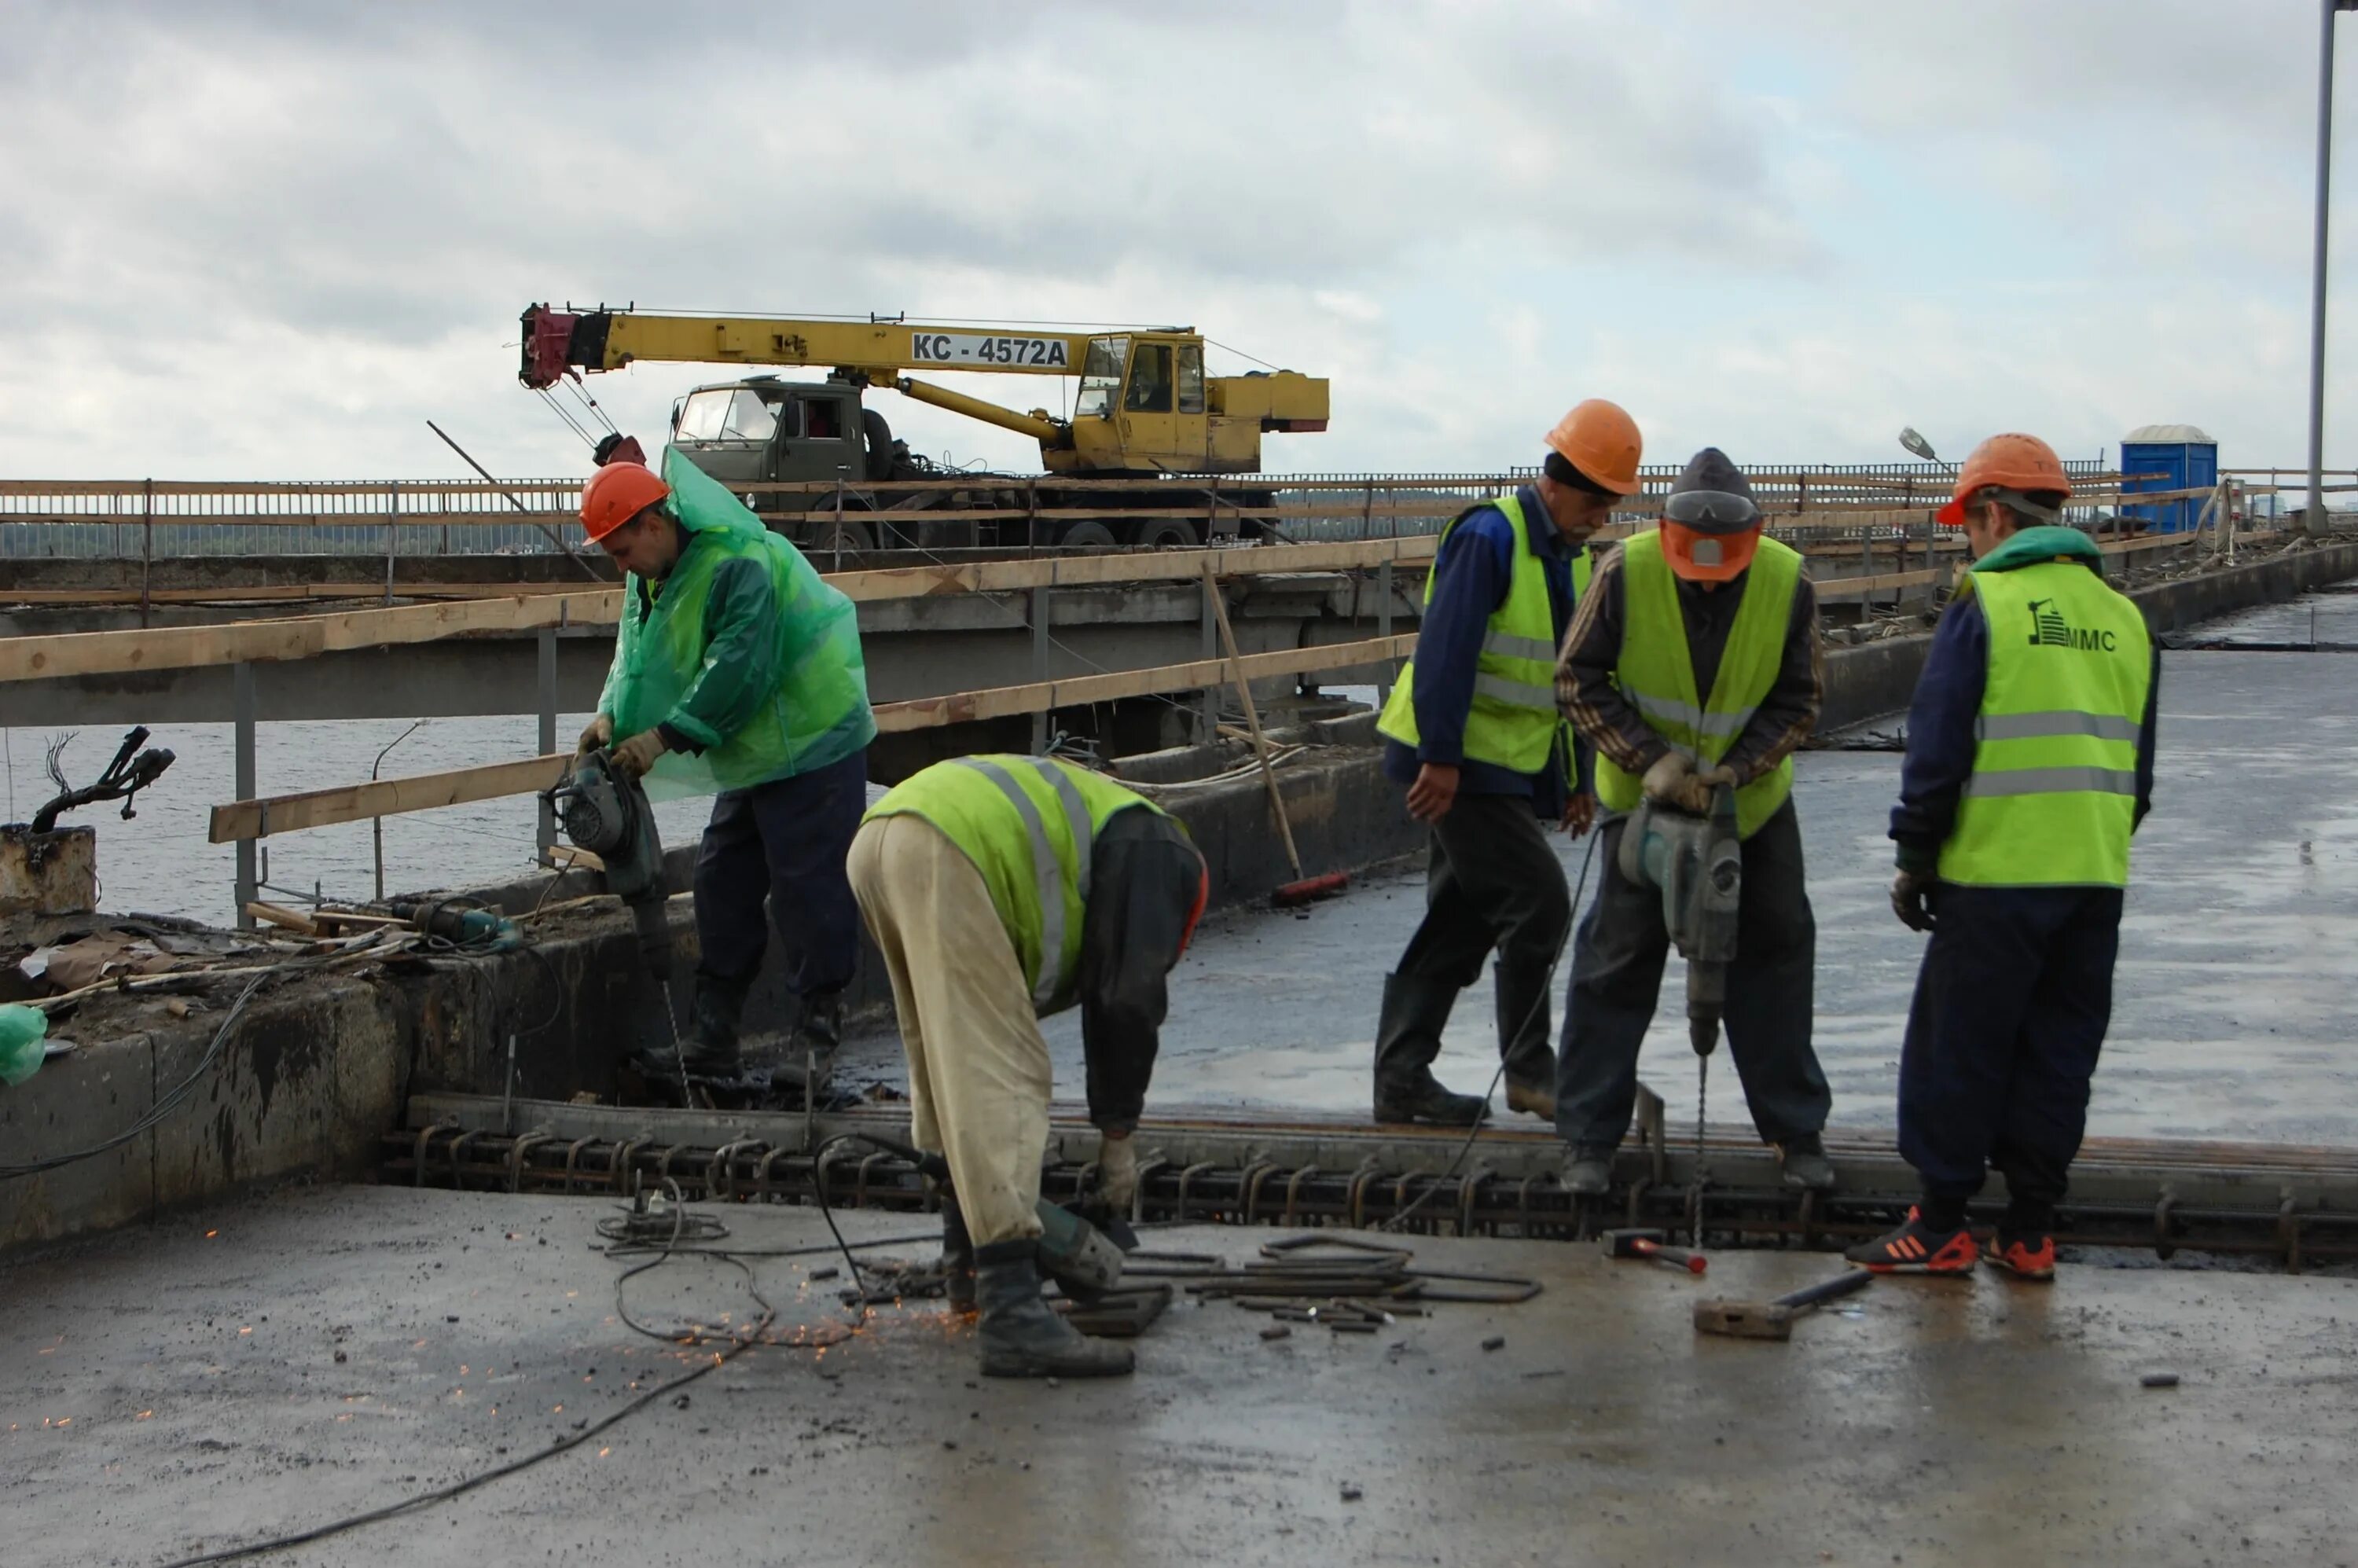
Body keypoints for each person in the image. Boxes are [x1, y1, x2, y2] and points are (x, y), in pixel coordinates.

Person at [1848, 435, 2157, 1280]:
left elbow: (1938, 749)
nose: (1967, 541)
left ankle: (1942, 1223)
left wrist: (1916, 855)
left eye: (1968, 524)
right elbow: (2142, 772)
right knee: (2059, 1050)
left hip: (1994, 876)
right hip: (2094, 876)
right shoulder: (2125, 617)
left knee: (1961, 1046)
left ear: (1992, 513)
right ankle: (2029, 1232)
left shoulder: (1987, 603)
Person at [849, 755, 1209, 1377]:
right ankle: (1012, 1306)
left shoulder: (1108, 829)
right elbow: (1127, 997)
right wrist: (1117, 1143)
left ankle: (965, 1263)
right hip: (947, 843)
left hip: (880, 838)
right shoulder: (1160, 849)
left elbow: (1106, 984)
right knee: (1002, 1070)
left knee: (943, 1059)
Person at [1554, 448, 1835, 1194]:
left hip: (1753, 806)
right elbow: (1576, 676)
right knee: (1617, 959)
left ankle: (1794, 1130)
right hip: (1643, 803)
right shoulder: (1624, 571)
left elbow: (1801, 699)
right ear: (1669, 534)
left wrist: (1738, 770)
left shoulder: (1786, 579)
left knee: (1774, 951)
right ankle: (1588, 1137)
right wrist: (1650, 760)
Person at [1368, 401, 1643, 1126]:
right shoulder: (1491, 536)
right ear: (1560, 480)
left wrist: (1576, 779)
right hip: (1458, 764)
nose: (1600, 517)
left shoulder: (1568, 556)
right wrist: (1442, 758)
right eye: (1595, 500)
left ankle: (1401, 1078)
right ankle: (1530, 1071)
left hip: (1497, 767)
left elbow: (1569, 675)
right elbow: (1446, 653)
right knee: (1539, 903)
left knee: (1462, 917)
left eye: (1609, 505)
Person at [576, 451, 875, 1087]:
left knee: (808, 884)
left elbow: (739, 665)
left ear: (653, 524)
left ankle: (817, 1037)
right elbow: (635, 654)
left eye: (622, 550)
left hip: (813, 732)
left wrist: (660, 738)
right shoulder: (651, 575)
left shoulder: (738, 562)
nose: (619, 566)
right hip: (757, 743)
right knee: (722, 878)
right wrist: (609, 717)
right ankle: (715, 1038)